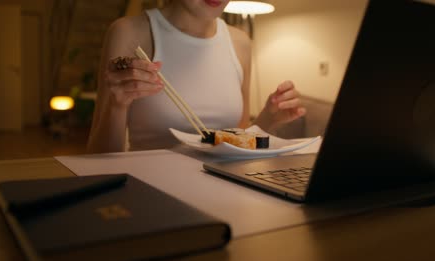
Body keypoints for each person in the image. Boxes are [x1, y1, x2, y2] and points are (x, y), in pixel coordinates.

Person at [87, 0, 306, 153]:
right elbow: (98, 159)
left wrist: (268, 119)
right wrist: (117, 105)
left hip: (224, 193)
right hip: (150, 194)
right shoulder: (129, 32)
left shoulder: (240, 42)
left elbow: (235, 141)